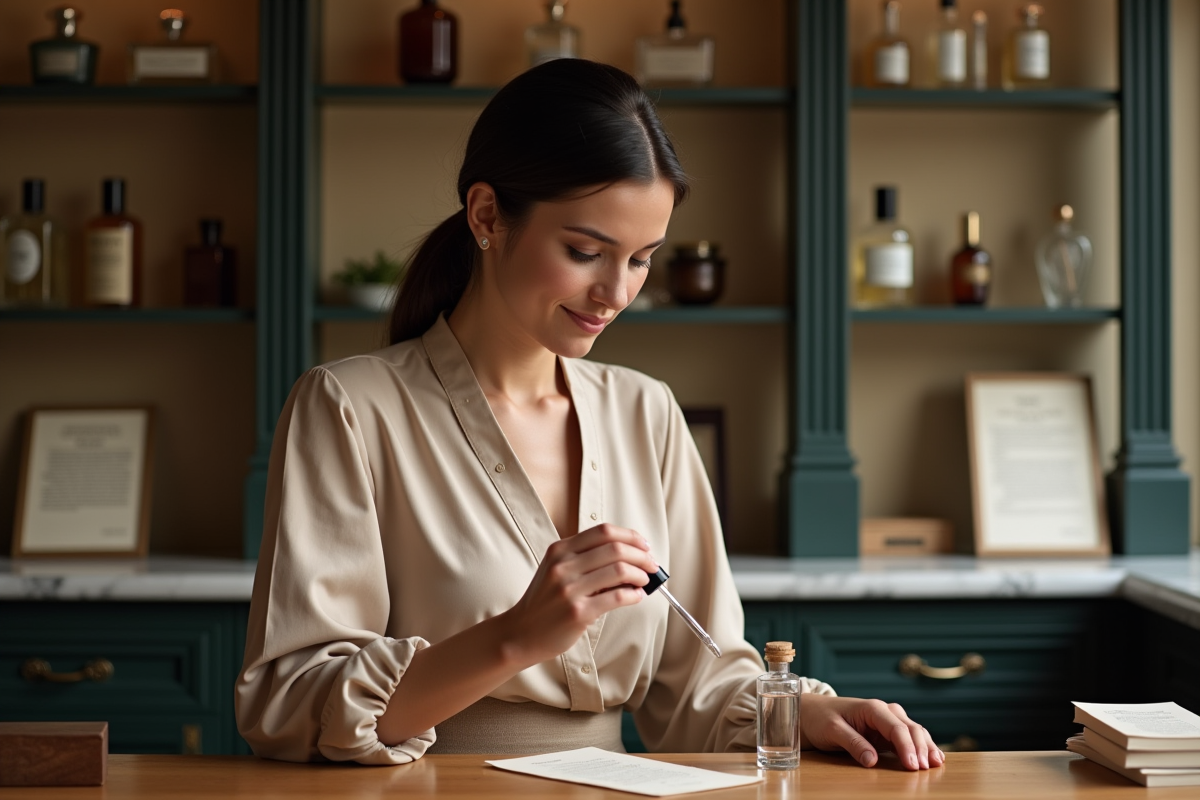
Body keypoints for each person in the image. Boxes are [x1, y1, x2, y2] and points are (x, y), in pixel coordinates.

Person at [235, 58, 942, 771]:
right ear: (487, 216)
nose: (616, 292)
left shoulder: (647, 412)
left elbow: (699, 688)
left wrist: (802, 712)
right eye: (585, 252)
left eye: (641, 259)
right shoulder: (349, 407)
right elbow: (287, 704)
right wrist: (515, 636)